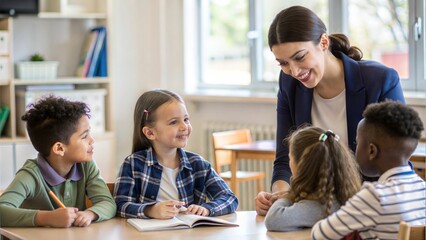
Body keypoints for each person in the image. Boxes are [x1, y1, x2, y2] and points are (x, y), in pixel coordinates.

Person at [255, 5, 406, 215]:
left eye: (299, 57)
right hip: (319, 209)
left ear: (323, 42)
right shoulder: (288, 83)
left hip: (374, 207)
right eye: (283, 63)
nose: (294, 71)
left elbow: (392, 163)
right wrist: (279, 195)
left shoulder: (380, 81)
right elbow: (284, 158)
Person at [114, 89, 238, 219]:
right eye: (174, 122)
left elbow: (229, 198)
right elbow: (120, 205)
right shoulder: (133, 164)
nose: (184, 126)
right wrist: (151, 210)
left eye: (186, 119)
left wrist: (207, 209)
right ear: (150, 133)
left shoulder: (198, 164)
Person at [311, 101, 425, 239]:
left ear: (372, 150)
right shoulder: (421, 188)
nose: (355, 149)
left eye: (357, 143)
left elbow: (320, 234)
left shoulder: (375, 196)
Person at [0, 95, 116, 228]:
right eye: (84, 136)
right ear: (59, 148)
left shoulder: (86, 166)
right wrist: (47, 218)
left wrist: (90, 214)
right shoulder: (30, 175)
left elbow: (108, 203)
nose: (92, 140)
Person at [264, 126, 361, 231]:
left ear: (301, 165)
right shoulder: (343, 196)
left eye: (290, 158)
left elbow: (273, 220)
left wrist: (288, 195)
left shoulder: (316, 205)